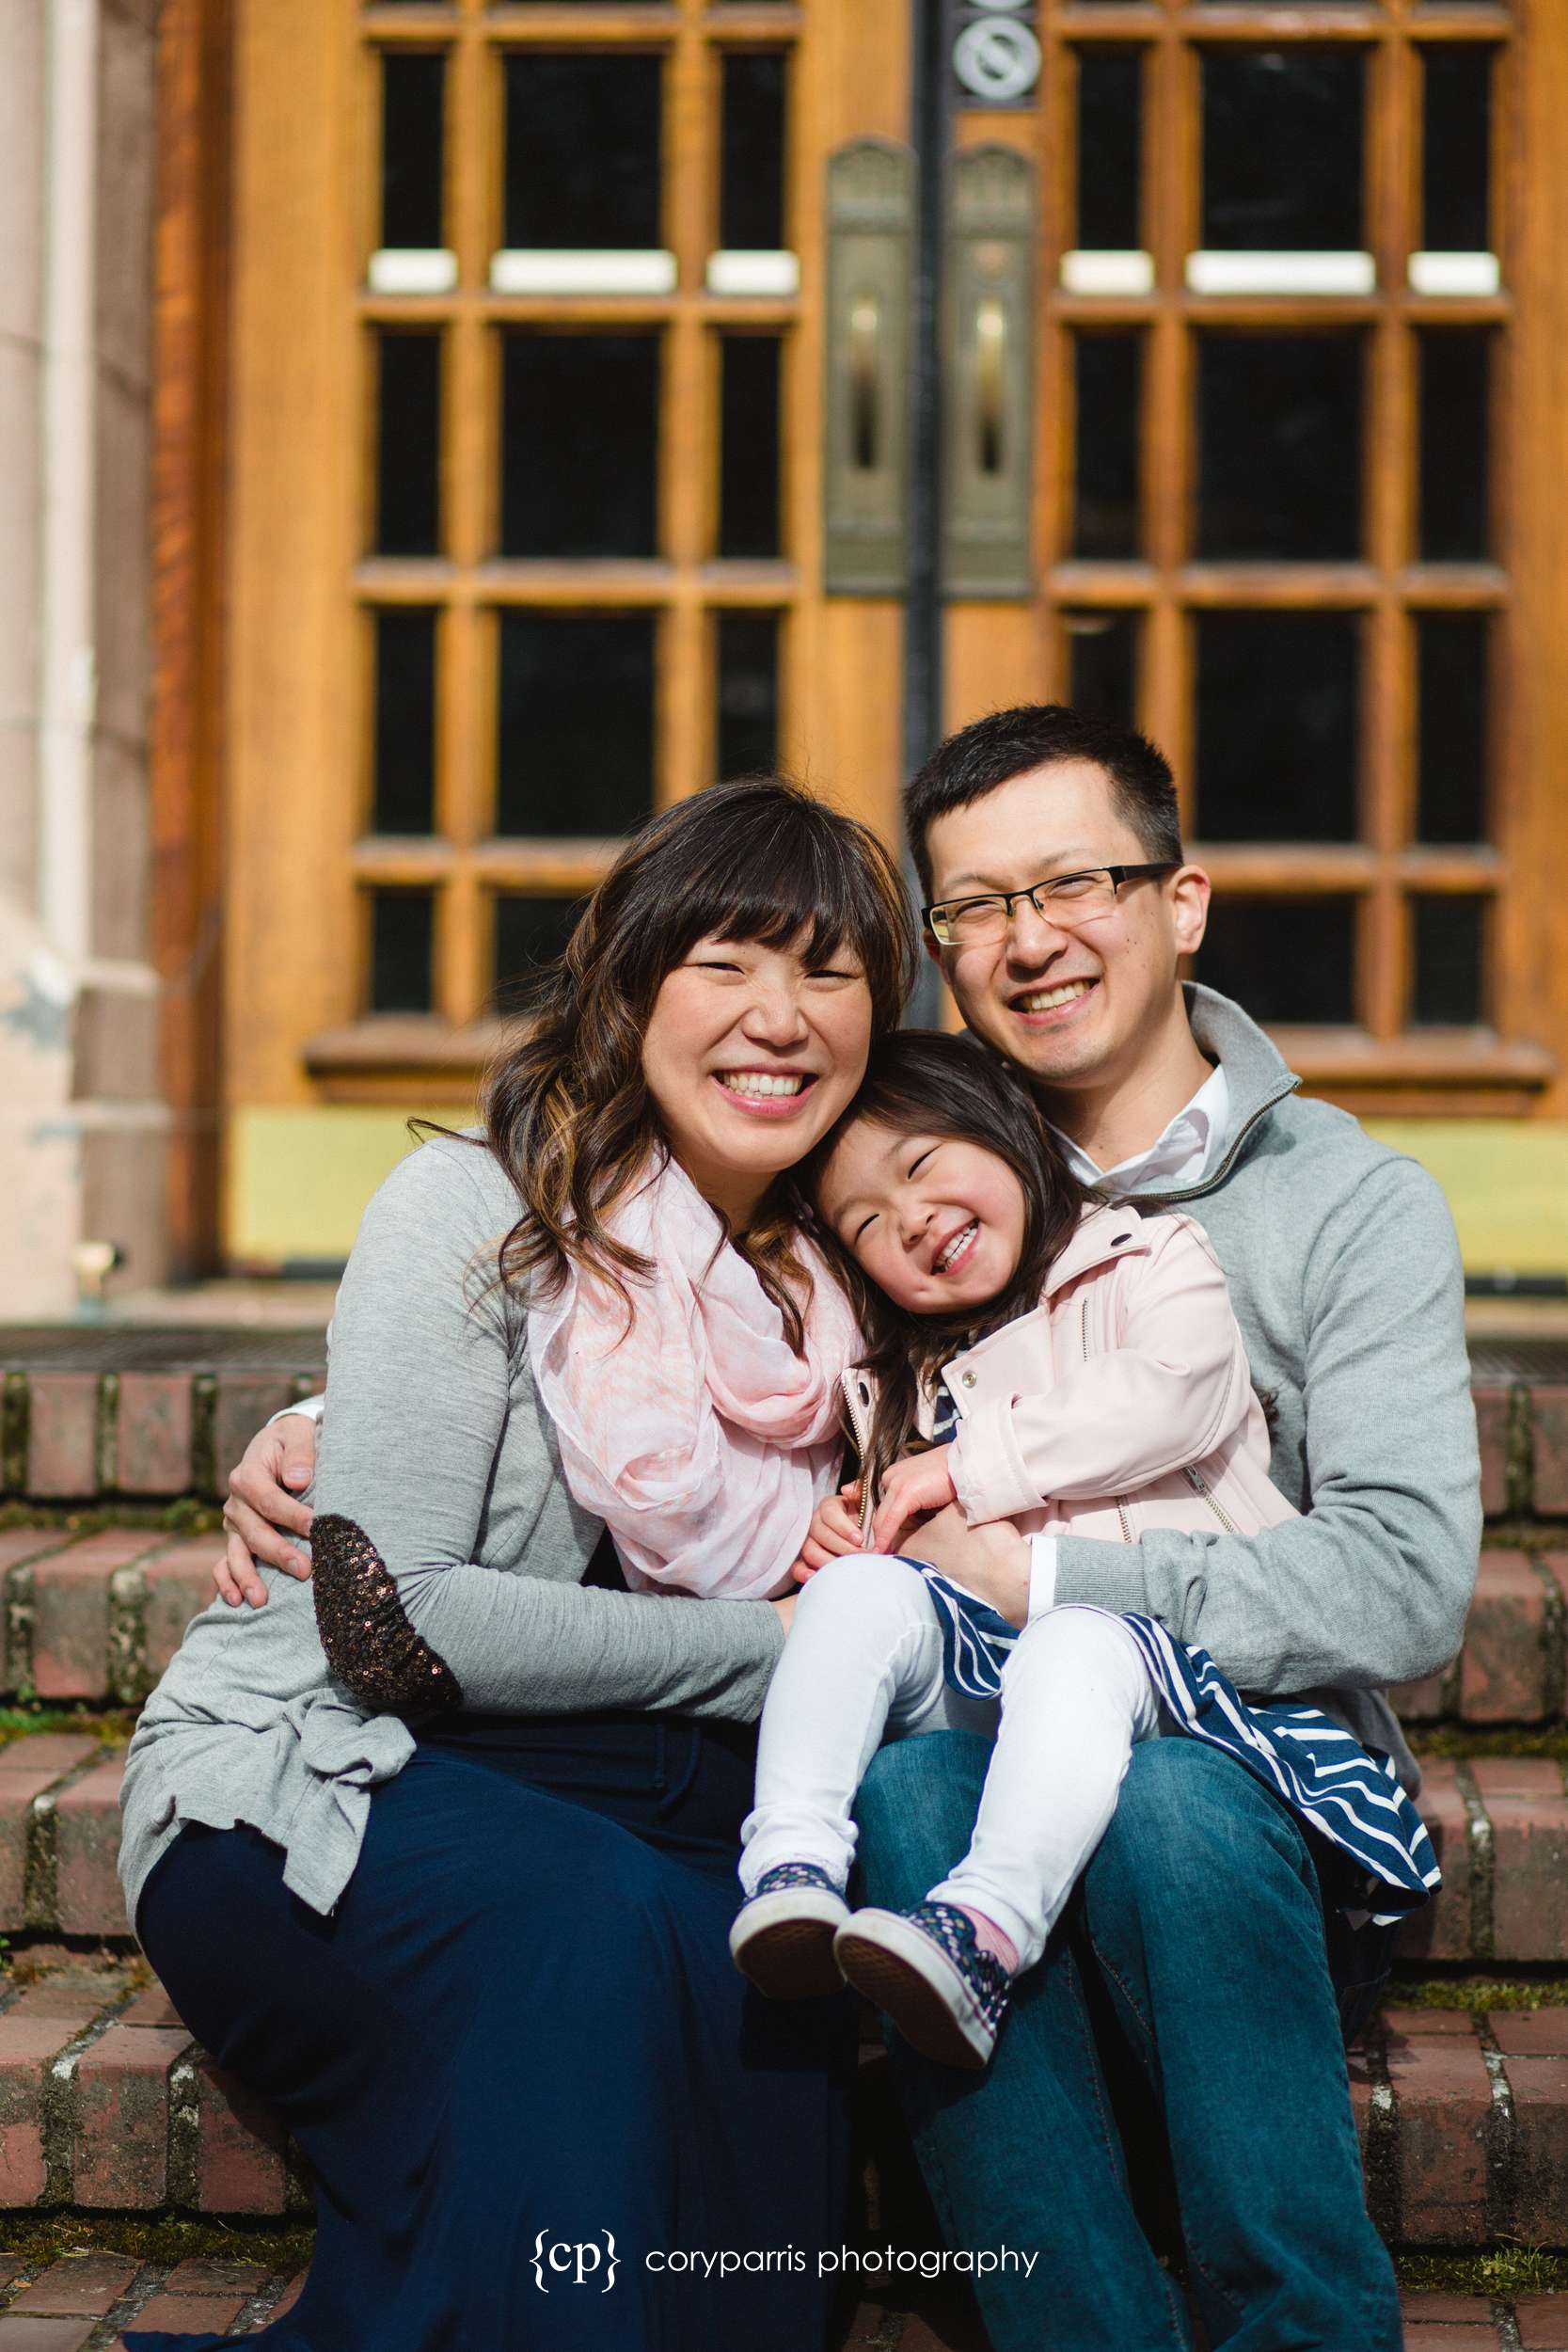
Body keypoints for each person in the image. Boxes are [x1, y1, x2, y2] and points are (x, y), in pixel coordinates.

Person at [223, 707, 1481, 2352]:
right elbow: (652, 1336)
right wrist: (328, 1431)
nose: (1026, 941)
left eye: (1076, 883)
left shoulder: (1337, 1203)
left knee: (1161, 1798)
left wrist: (1036, 1580)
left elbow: (1400, 1582)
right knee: (899, 1787)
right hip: (965, 1792)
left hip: (1224, 1803)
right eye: (971, 908)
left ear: (1181, 902)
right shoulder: (863, 1180)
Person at [116, 778, 917, 2352]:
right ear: (628, 987)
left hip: (619, 1786)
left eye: (829, 971)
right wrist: (801, 1641)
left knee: (762, 1984)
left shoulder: (861, 1265)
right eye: (727, 962)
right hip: (312, 1782)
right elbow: (395, 1621)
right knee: (601, 1927)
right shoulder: (476, 1207)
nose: (781, 1016)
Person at [727, 1031, 1437, 2074]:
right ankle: (790, 1862)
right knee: (861, 1596)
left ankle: (984, 1928)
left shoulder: (1141, 1257)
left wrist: (965, 1468)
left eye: (921, 1166)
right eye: (867, 1223)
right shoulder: (900, 1382)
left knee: (1077, 1640)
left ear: (1009, 1128)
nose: (912, 1221)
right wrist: (850, 1531)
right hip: (1021, 1710)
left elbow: (1174, 1393)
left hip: (1207, 1697)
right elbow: (928, 1571)